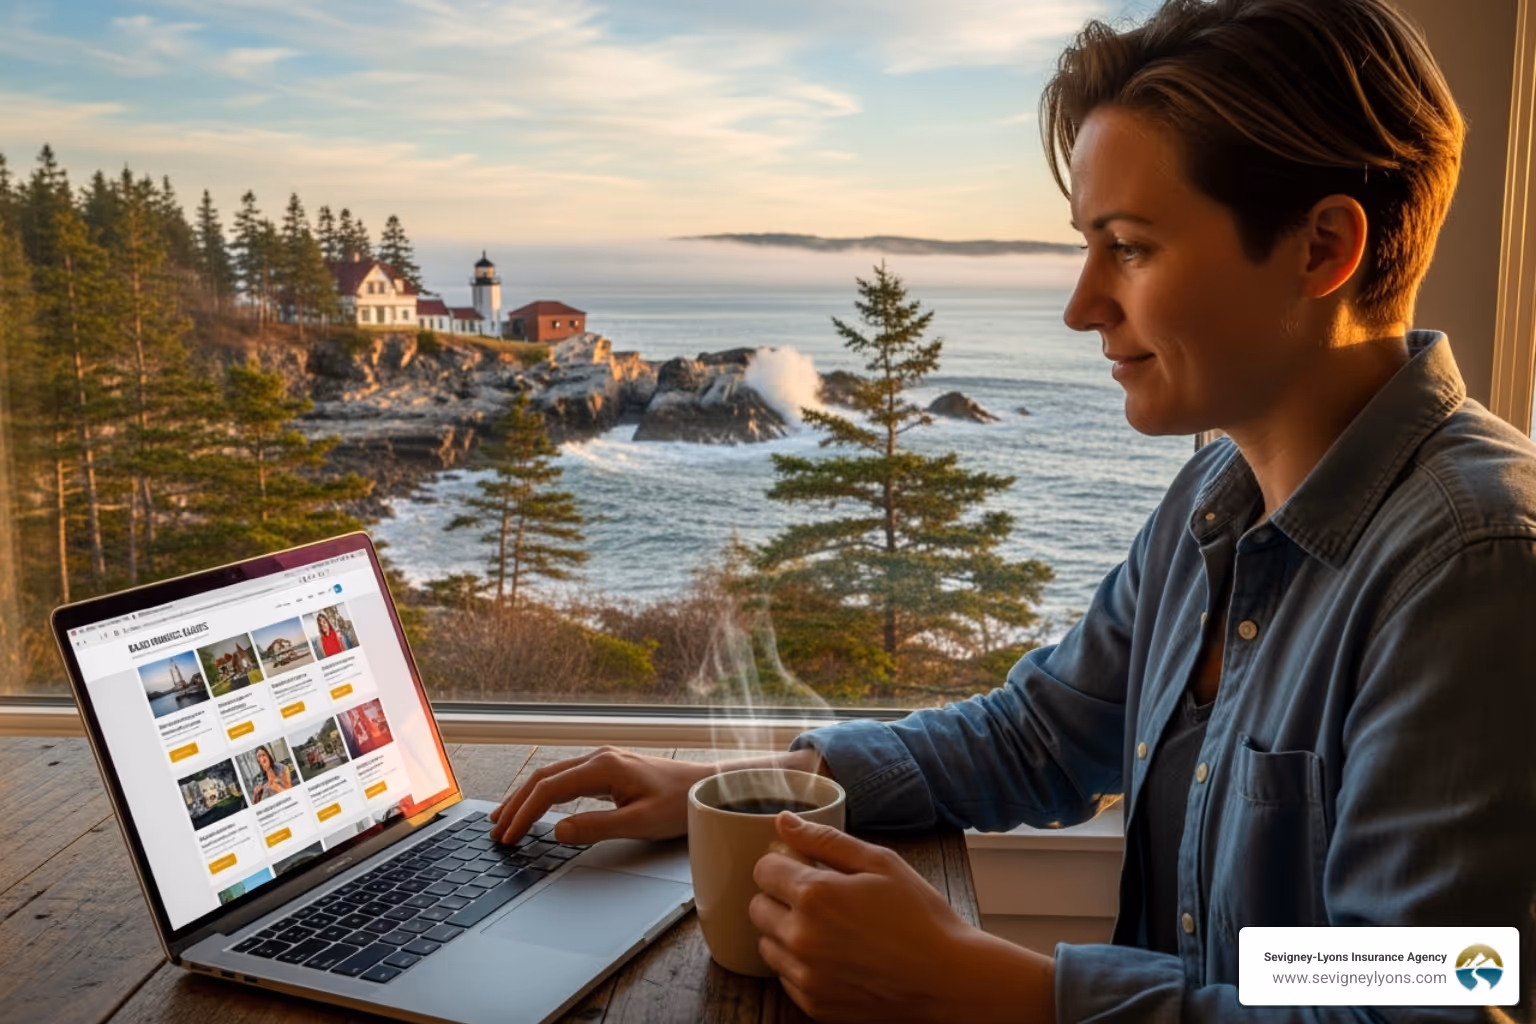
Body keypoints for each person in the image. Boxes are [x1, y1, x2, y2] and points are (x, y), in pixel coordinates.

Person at [490, 1, 1536, 1020]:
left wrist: (1005, 991)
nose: (1082, 304)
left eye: (1128, 246)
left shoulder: (1471, 564)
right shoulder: (1213, 503)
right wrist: (741, 784)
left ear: (1322, 249)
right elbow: (1037, 735)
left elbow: (1430, 995)